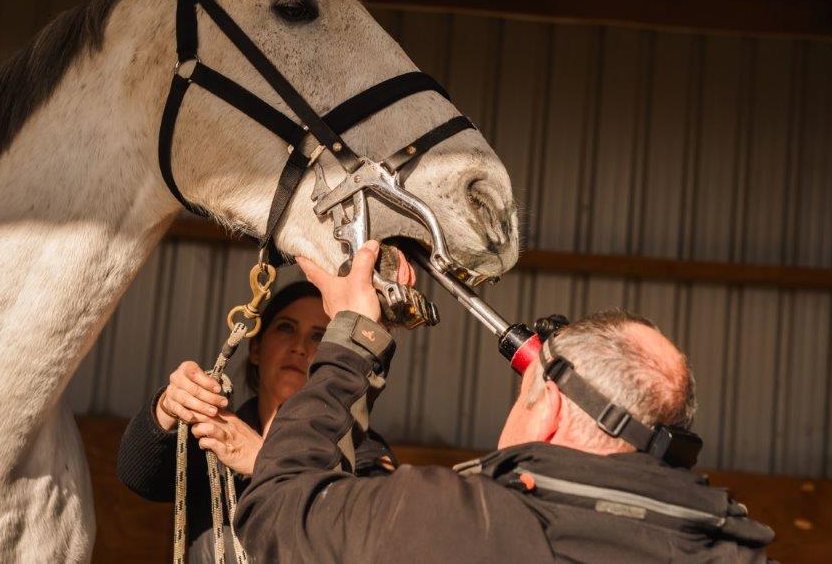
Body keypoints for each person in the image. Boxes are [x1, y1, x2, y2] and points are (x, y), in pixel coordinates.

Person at [234, 240, 776, 562]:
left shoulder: (464, 524)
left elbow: (278, 511)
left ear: (549, 405)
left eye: (524, 392)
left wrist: (354, 336)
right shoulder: (735, 545)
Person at [115, 281, 397, 562]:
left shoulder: (365, 451)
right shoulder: (218, 434)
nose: (299, 347)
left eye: (318, 336)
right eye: (286, 328)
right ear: (256, 349)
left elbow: (369, 540)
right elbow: (139, 475)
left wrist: (263, 461)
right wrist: (168, 407)